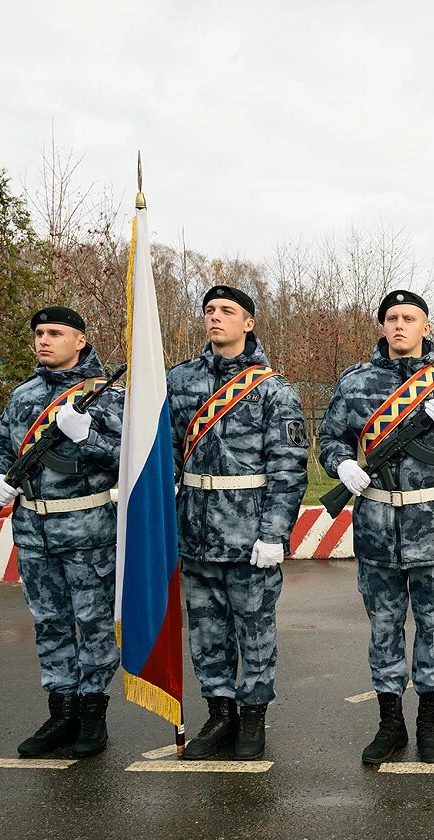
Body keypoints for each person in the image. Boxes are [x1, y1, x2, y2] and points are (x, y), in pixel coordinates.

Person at [318, 289, 434, 764]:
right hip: (377, 526)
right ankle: (390, 724)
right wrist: (341, 465)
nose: (399, 325)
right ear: (382, 327)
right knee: (384, 629)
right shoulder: (356, 381)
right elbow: (331, 437)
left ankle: (429, 724)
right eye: (391, 318)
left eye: (409, 318)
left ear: (426, 327)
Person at [167, 285, 306, 760]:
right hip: (194, 532)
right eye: (209, 310)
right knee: (206, 631)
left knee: (255, 629)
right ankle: (219, 713)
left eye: (227, 311)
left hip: (249, 534)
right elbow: (162, 454)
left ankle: (252, 716)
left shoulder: (273, 388)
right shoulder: (178, 381)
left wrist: (274, 534)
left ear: (248, 322)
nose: (215, 317)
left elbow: (288, 467)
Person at [0, 306, 124, 757]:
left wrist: (88, 438)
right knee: (50, 625)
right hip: (33, 530)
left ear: (80, 340)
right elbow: (0, 449)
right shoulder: (23, 396)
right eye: (39, 333)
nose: (44, 340)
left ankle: (92, 717)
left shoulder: (108, 398)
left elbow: (132, 459)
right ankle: (59, 713)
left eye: (55, 333)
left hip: (87, 533)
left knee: (93, 625)